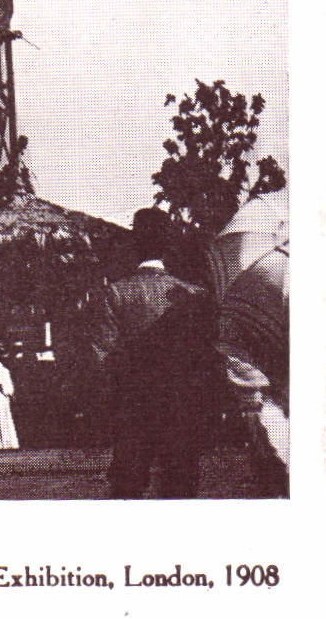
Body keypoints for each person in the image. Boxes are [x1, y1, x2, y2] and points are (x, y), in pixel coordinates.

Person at [87, 208, 224, 499]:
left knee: (128, 489)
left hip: (132, 412)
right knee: (180, 488)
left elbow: (102, 357)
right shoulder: (193, 296)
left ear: (135, 245)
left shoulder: (115, 294)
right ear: (168, 246)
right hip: (181, 411)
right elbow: (207, 360)